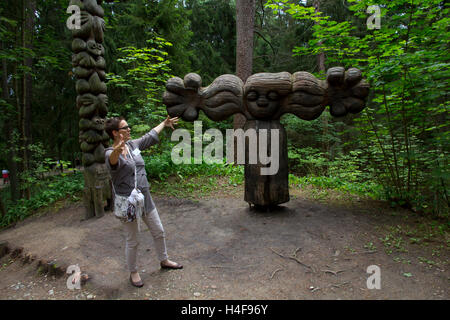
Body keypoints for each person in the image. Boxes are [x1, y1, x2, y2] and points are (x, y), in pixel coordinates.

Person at [105, 115, 182, 288]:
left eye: (128, 126)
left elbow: (149, 136)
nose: (129, 129)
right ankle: (133, 272)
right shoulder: (110, 152)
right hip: (129, 203)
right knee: (133, 240)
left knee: (159, 230)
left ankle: (164, 260)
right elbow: (113, 162)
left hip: (145, 198)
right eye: (125, 128)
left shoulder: (133, 145)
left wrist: (164, 123)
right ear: (115, 132)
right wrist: (118, 149)